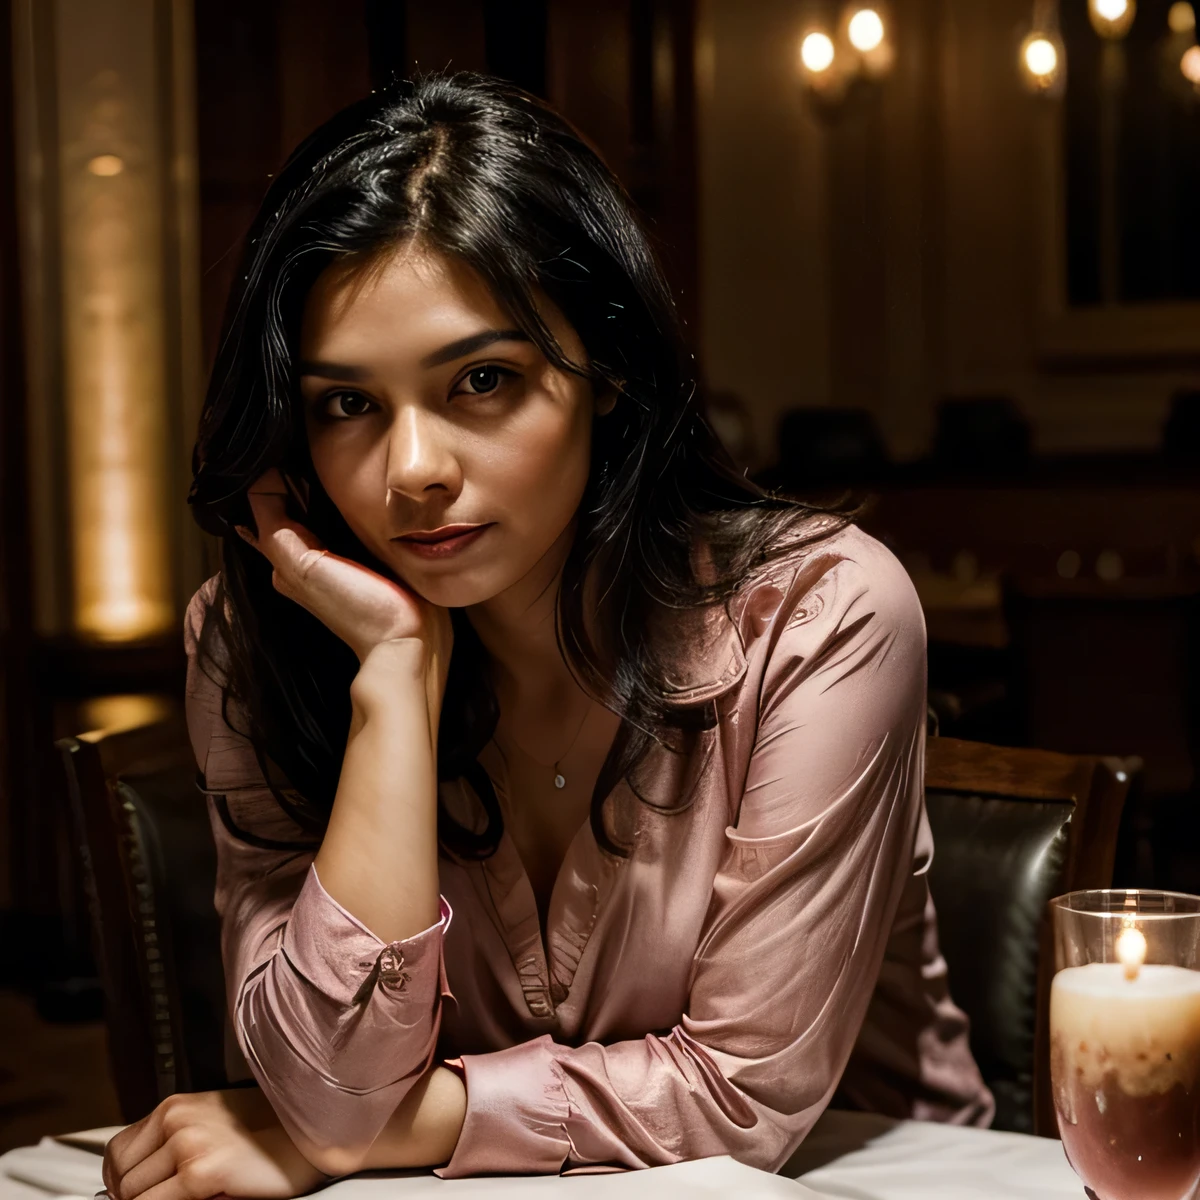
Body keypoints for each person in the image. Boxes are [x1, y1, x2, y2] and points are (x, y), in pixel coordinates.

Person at [102, 72, 992, 1200]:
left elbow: (746, 1100)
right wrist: (391, 681)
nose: (413, 469)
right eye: (346, 404)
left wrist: (387, 1127)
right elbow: (328, 1090)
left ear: (607, 371)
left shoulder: (821, 616)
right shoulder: (262, 637)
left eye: (482, 380)